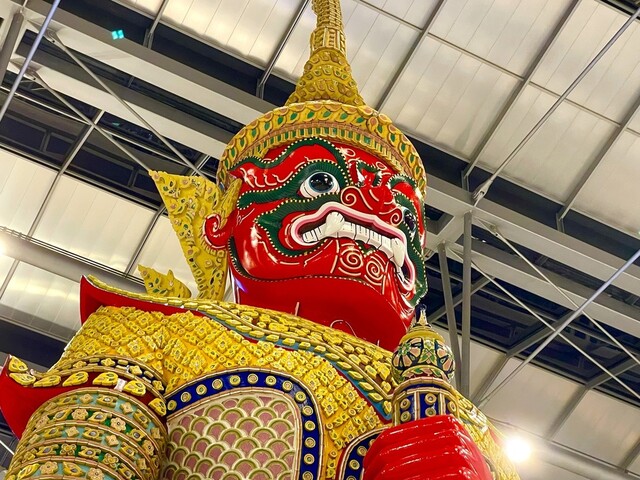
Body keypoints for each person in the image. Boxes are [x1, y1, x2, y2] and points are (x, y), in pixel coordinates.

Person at [0, 1, 519, 479]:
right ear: (222, 223)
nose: (372, 209)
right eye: (320, 181)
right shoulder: (145, 336)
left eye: (400, 208)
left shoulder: (474, 428)